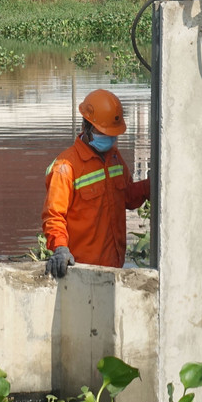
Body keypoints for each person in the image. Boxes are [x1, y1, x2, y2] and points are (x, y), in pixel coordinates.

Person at [43, 88, 150, 278]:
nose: (110, 138)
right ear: (87, 127)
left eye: (112, 133)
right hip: (82, 271)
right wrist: (60, 248)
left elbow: (128, 197)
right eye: (104, 132)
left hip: (114, 266)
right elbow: (54, 217)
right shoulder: (65, 167)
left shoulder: (114, 157)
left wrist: (151, 186)